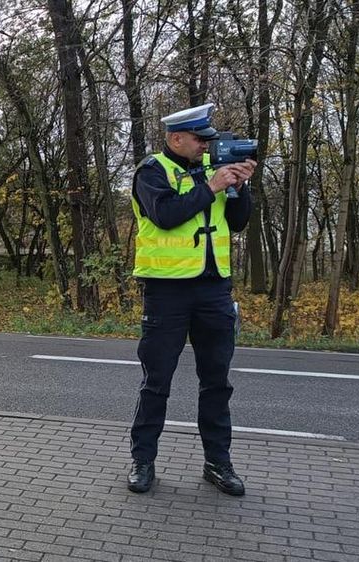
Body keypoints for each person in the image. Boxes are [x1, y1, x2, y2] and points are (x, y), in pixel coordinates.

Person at [126, 103, 257, 496]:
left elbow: (238, 222)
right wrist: (213, 186)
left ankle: (218, 463)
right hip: (167, 291)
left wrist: (239, 188)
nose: (206, 146)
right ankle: (143, 461)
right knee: (156, 383)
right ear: (176, 138)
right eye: (200, 140)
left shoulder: (212, 171)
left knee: (217, 383)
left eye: (209, 140)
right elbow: (165, 215)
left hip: (213, 289)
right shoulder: (152, 172)